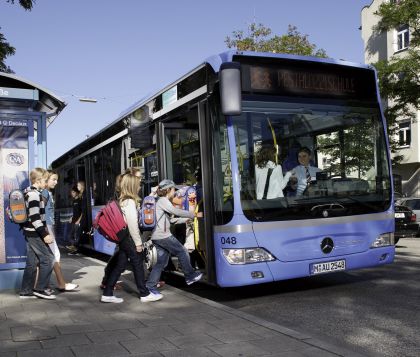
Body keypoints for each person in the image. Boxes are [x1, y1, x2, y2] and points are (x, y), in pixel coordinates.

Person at [101, 172, 162, 303]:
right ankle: (144, 294)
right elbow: (133, 224)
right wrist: (138, 243)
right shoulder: (129, 202)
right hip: (129, 238)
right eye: (138, 184)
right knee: (138, 263)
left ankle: (107, 293)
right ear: (132, 186)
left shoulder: (123, 200)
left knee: (120, 264)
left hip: (124, 238)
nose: (140, 187)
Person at [146, 179, 203, 295]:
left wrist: (186, 219)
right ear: (168, 190)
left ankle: (150, 286)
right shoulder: (163, 200)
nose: (174, 192)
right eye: (173, 190)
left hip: (158, 236)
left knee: (160, 263)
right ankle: (190, 275)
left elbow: (171, 220)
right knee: (182, 251)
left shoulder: (160, 201)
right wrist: (194, 214)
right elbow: (175, 211)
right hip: (163, 236)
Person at [20, 168, 55, 300]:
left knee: (32, 262)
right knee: (48, 259)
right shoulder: (34, 195)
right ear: (38, 180)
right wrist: (45, 234)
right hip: (35, 233)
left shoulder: (28, 192)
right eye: (45, 180)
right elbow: (35, 218)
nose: (46, 183)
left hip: (29, 232)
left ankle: (26, 291)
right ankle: (40, 289)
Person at [42, 170, 78, 292]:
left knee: (44, 257)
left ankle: (43, 285)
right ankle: (60, 283)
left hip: (47, 226)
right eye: (54, 179)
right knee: (55, 254)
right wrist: (45, 229)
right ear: (46, 179)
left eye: (57, 180)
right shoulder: (45, 193)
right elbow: (40, 211)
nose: (56, 182)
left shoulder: (46, 192)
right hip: (46, 226)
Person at [66, 186, 82, 253]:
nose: (72, 193)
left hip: (78, 221)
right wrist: (71, 217)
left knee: (75, 235)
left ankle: (75, 248)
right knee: (70, 235)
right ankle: (74, 247)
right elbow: (75, 211)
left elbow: (82, 212)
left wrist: (79, 220)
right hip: (74, 220)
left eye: (73, 192)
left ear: (77, 192)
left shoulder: (80, 201)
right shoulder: (74, 201)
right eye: (71, 192)